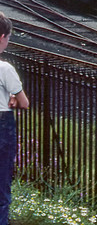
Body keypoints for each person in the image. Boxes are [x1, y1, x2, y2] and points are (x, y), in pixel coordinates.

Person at [0, 12, 28, 225]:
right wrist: (13, 97)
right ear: (2, 37)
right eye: (8, 37)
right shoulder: (5, 68)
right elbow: (24, 103)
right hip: (2, 125)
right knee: (1, 186)